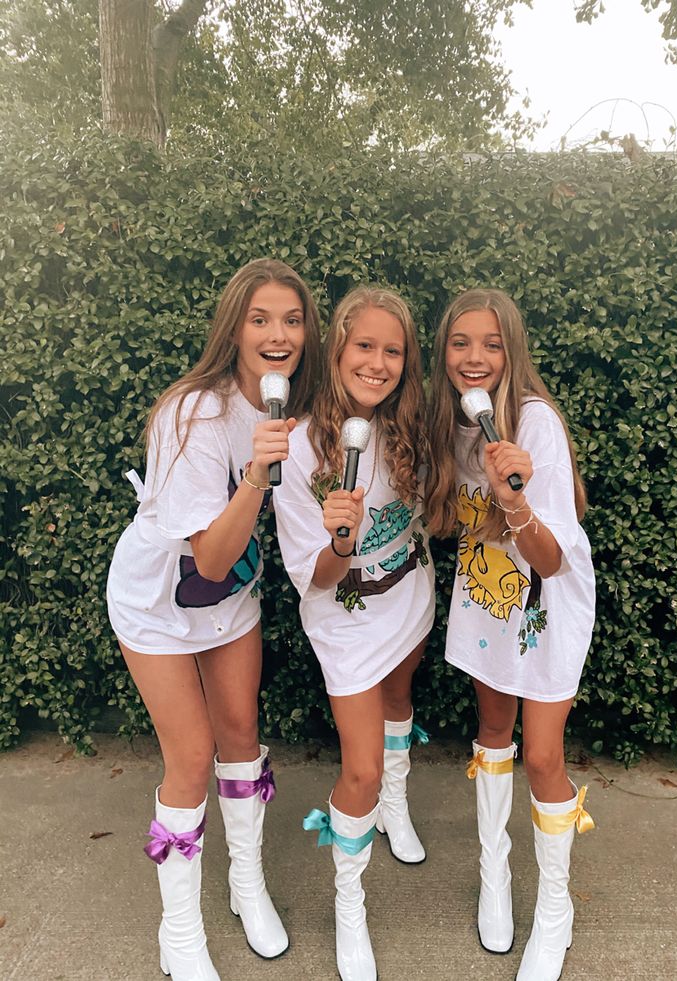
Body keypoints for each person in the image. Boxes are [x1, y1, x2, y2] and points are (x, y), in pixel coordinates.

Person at [106, 258, 320, 981]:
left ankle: (247, 883)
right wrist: (258, 474)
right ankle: (180, 927)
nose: (277, 332)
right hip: (159, 604)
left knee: (240, 737)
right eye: (260, 318)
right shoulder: (191, 411)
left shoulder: (295, 405)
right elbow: (210, 556)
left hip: (231, 601)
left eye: (292, 318)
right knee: (191, 757)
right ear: (233, 327)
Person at [424, 288, 595, 981]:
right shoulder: (454, 424)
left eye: (491, 343)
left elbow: (551, 561)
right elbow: (444, 518)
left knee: (545, 756)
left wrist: (515, 499)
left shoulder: (536, 423)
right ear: (445, 351)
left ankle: (555, 906)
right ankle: (495, 876)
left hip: (547, 606)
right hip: (488, 596)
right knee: (493, 733)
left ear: (512, 351)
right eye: (461, 342)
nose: (475, 356)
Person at [272, 286, 435, 981]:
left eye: (392, 349)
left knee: (401, 702)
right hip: (347, 619)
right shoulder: (304, 447)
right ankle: (349, 900)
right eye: (363, 346)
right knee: (358, 767)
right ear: (336, 348)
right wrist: (342, 533)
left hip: (411, 595)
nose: (377, 362)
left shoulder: (410, 424)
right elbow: (314, 575)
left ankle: (396, 804)